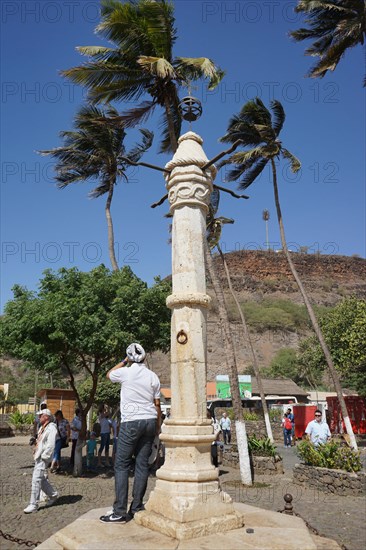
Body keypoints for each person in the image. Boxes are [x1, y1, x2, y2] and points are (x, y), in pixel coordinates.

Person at [100, 342, 161, 524]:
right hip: (150, 421)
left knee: (122, 465)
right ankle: (136, 506)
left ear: (129, 358)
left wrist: (124, 361)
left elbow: (108, 374)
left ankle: (119, 511)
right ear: (145, 357)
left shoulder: (125, 372)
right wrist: (157, 426)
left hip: (131, 422)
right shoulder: (153, 376)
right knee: (142, 465)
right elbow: (157, 404)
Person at [24, 409, 59, 513]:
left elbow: (51, 444)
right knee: (41, 479)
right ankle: (53, 495)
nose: (39, 417)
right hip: (38, 457)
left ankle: (33, 504)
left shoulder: (52, 428)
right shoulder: (42, 428)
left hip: (43, 458)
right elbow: (40, 441)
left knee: (36, 480)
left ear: (46, 417)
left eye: (40, 416)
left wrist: (44, 456)